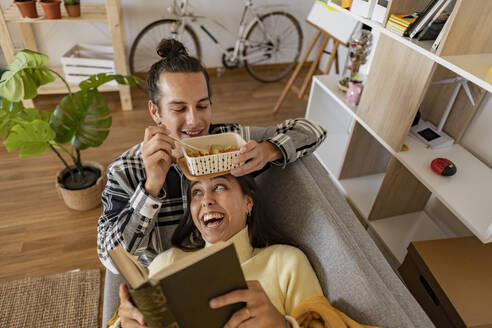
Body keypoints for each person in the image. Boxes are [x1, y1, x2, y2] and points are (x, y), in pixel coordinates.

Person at [97, 39, 326, 273]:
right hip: (170, 279)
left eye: (202, 106)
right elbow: (112, 259)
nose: (195, 121)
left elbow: (314, 130)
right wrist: (151, 187)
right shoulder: (125, 169)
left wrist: (268, 151)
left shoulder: (230, 141)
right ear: (155, 111)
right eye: (179, 109)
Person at [116, 174, 323, 328]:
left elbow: (324, 323)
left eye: (219, 186)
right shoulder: (167, 263)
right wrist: (125, 323)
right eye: (197, 192)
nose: (206, 200)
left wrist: (283, 325)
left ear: (248, 202)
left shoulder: (286, 261)